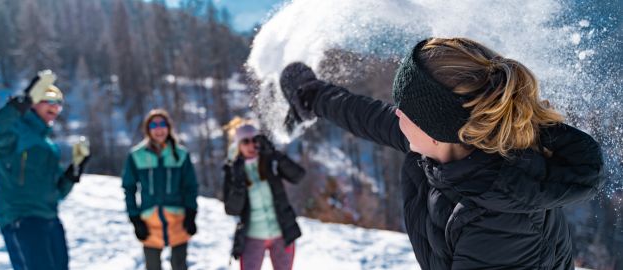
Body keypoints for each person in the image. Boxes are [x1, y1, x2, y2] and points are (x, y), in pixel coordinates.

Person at [280, 37, 605, 269]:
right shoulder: (453, 143)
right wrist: (313, 97)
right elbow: (369, 117)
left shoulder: (499, 227)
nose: (396, 114)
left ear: (435, 131)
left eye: (404, 109)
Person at [0, 70, 91, 270]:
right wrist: (20, 104)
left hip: (50, 219)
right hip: (21, 219)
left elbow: (57, 193)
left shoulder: (49, 145)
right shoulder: (15, 130)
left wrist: (74, 171)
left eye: (59, 102)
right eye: (48, 99)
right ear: (34, 101)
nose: (55, 106)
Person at [222, 121, 306, 270]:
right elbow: (232, 209)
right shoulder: (233, 171)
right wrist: (239, 181)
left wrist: (275, 154)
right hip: (252, 236)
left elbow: (298, 176)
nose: (251, 145)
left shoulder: (270, 161)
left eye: (255, 140)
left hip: (282, 232)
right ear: (238, 146)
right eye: (245, 141)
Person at [122, 109, 199, 270]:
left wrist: (191, 213)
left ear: (169, 127)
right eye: (154, 125)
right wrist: (135, 218)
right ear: (147, 129)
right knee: (152, 266)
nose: (159, 129)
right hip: (149, 220)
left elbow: (190, 186)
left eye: (162, 124)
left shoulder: (181, 154)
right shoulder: (137, 155)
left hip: (178, 218)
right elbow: (129, 188)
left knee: (179, 265)